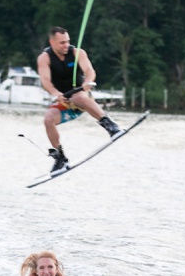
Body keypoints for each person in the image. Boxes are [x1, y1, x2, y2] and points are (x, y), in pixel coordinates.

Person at [36, 26, 125, 173]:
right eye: (62, 42)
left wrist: (88, 82)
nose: (66, 45)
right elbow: (45, 80)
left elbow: (90, 71)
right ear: (52, 42)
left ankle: (111, 127)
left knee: (77, 96)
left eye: (67, 42)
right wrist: (55, 93)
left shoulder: (78, 53)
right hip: (64, 102)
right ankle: (60, 159)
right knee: (48, 119)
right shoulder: (44, 58)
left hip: (81, 98)